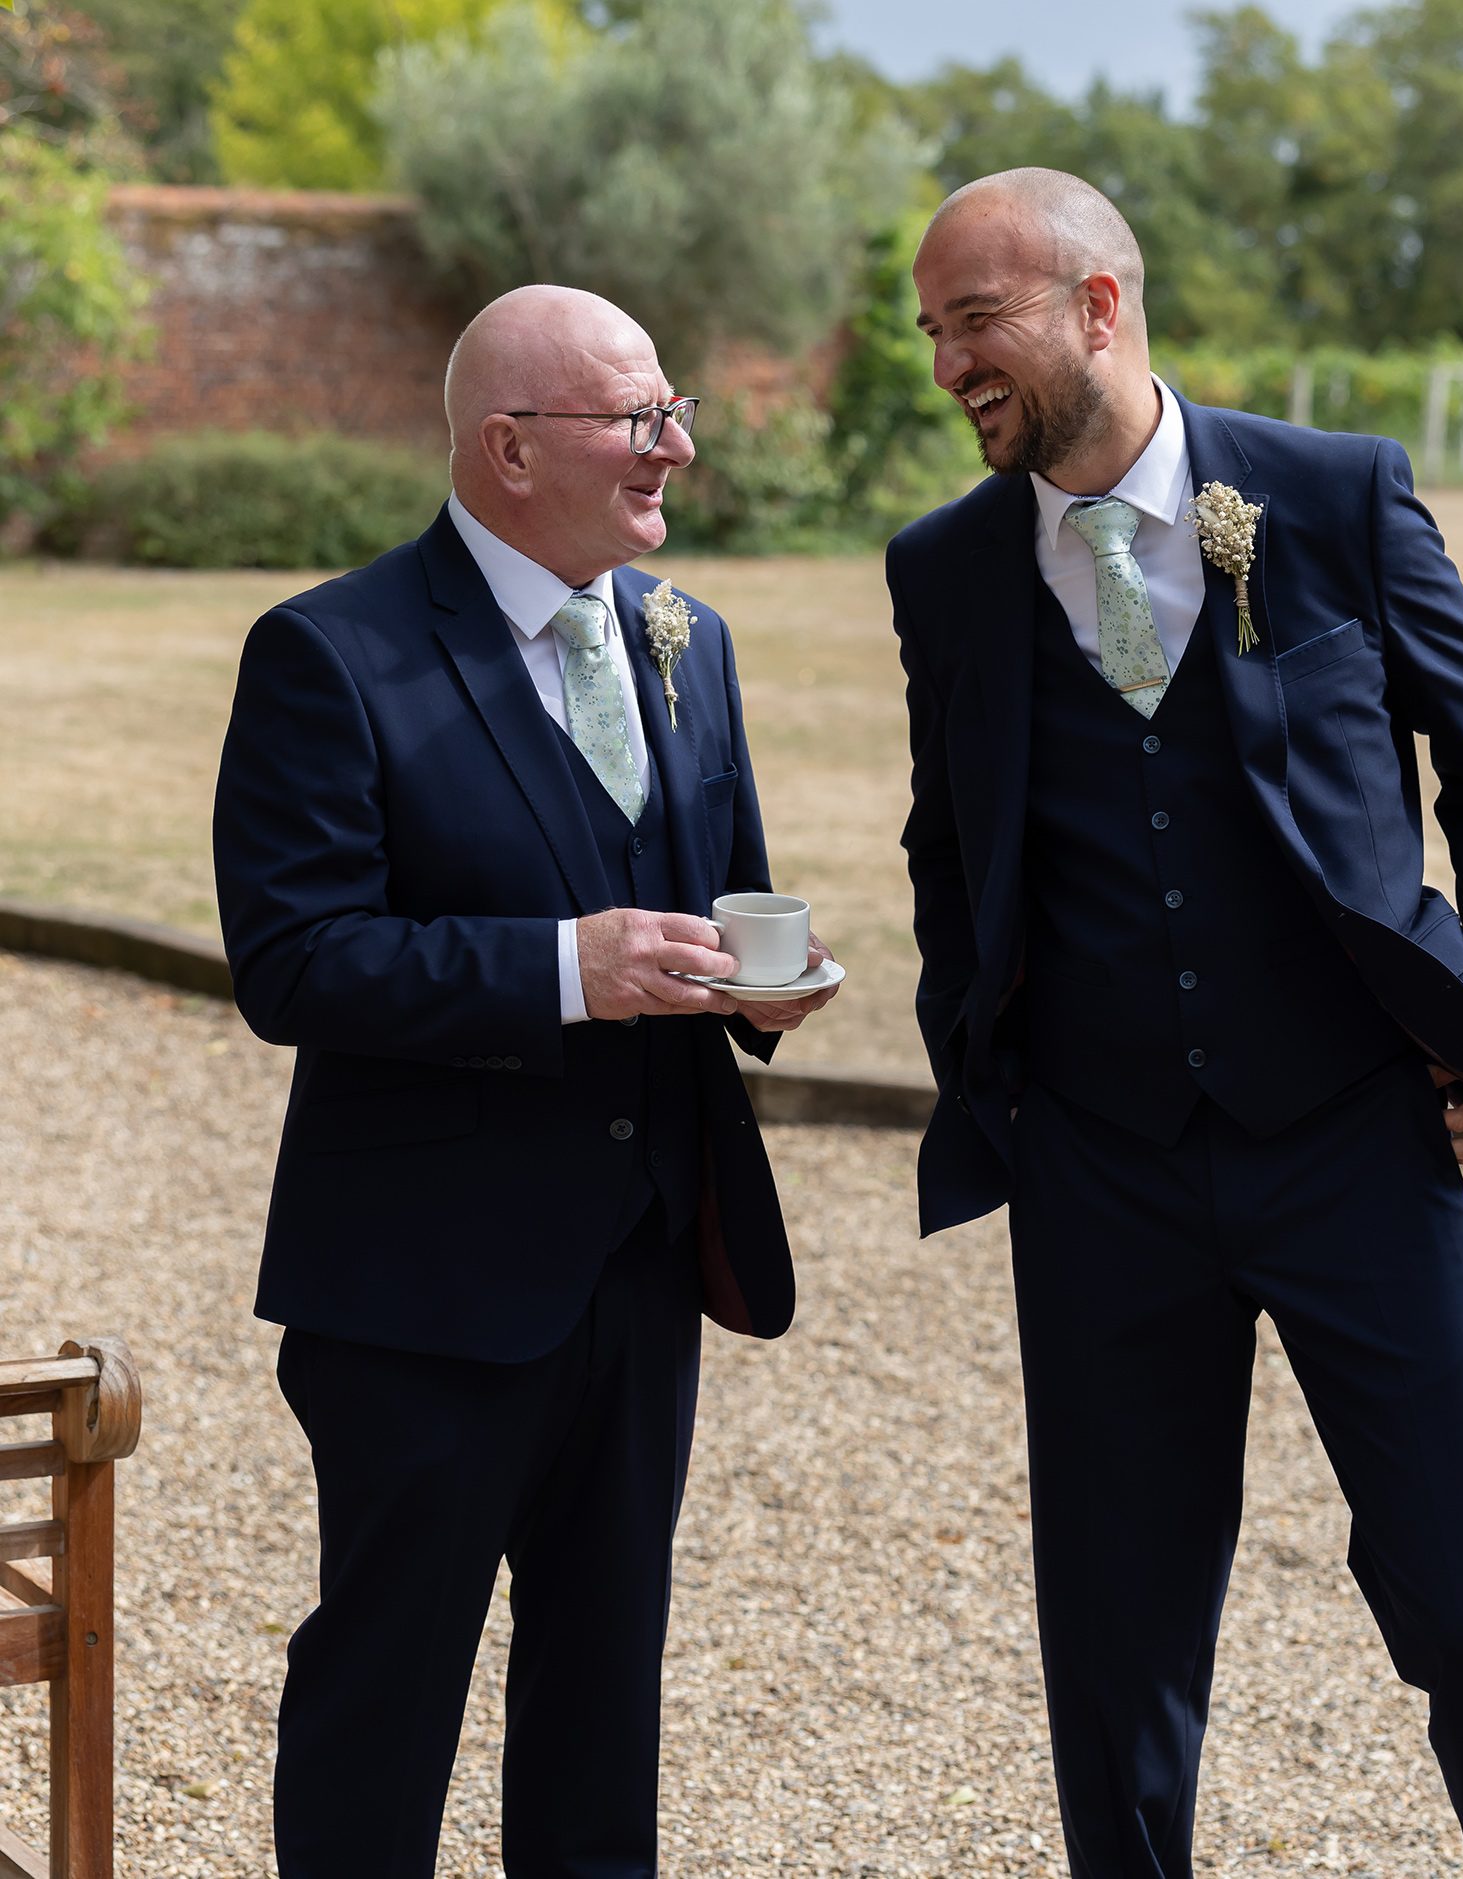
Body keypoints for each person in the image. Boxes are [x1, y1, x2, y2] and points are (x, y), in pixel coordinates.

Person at [889, 168, 1463, 1876]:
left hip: (1354, 1137)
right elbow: (946, 846)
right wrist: (996, 1074)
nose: (950, 366)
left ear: (1099, 306)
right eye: (933, 334)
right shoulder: (946, 570)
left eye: (978, 322)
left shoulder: (1333, 497)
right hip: (1102, 1167)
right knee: (1116, 1633)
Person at [212, 284, 835, 1876]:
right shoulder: (329, 654)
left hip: (642, 1257)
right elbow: (297, 962)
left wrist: (762, 993)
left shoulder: (689, 641)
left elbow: (714, 891)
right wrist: (571, 970)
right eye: (640, 419)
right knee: (388, 1690)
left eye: (671, 409)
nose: (675, 447)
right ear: (507, 448)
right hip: (424, 1285)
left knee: (604, 1687)